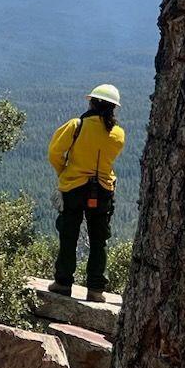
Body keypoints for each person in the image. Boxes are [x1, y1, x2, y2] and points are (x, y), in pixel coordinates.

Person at [47, 84, 126, 302]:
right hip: (103, 190)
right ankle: (95, 289)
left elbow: (54, 152)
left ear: (92, 102)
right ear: (113, 108)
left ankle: (63, 283)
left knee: (68, 234)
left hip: (74, 187)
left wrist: (64, 171)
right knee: (99, 239)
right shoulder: (118, 133)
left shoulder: (77, 125)